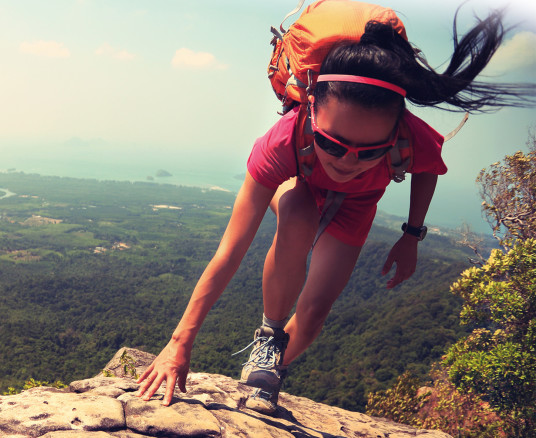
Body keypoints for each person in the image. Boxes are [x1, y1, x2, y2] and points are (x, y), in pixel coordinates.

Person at [136, 6, 535, 415]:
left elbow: (428, 168)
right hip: (302, 183)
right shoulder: (281, 142)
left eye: (371, 152)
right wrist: (179, 342)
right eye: (333, 143)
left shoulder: (411, 137)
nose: (347, 161)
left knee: (312, 315)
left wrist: (411, 235)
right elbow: (230, 250)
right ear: (310, 106)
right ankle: (270, 337)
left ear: (395, 130)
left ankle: (268, 371)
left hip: (358, 205)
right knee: (298, 214)